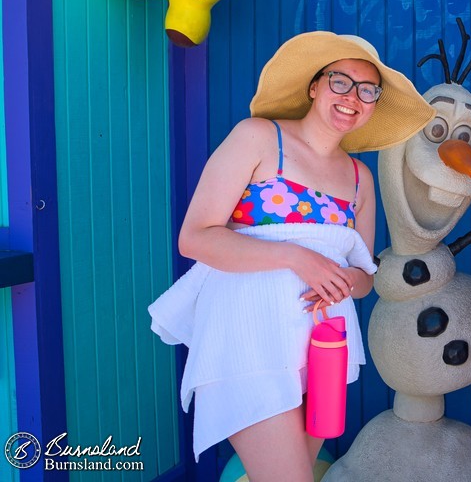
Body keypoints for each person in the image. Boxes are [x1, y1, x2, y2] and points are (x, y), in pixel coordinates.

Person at [148, 32, 434, 481]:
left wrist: (343, 280)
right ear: (314, 86)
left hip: (322, 348)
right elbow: (196, 238)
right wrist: (299, 259)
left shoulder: (360, 177)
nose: (352, 98)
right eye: (341, 82)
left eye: (367, 91)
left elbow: (364, 276)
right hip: (248, 342)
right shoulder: (258, 138)